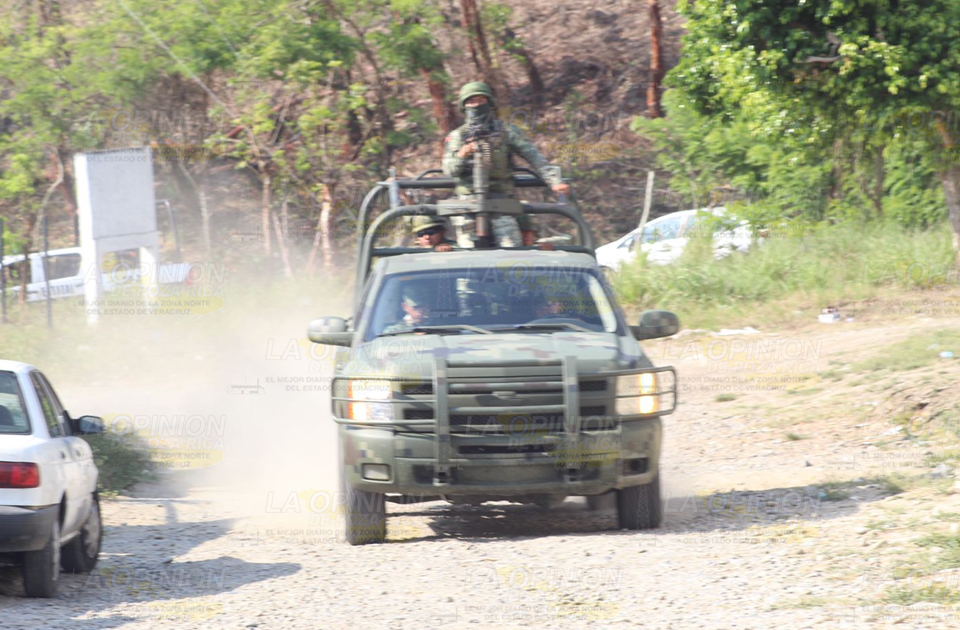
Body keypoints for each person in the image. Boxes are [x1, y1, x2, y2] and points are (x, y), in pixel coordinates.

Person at [442, 82, 571, 248]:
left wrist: (554, 181)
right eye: (471, 101)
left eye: (481, 100)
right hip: (468, 201)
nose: (477, 105)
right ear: (464, 106)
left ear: (490, 103)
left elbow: (534, 156)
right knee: (468, 251)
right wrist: (462, 154)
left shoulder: (506, 132)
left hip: (502, 199)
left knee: (510, 247)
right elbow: (449, 169)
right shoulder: (458, 136)